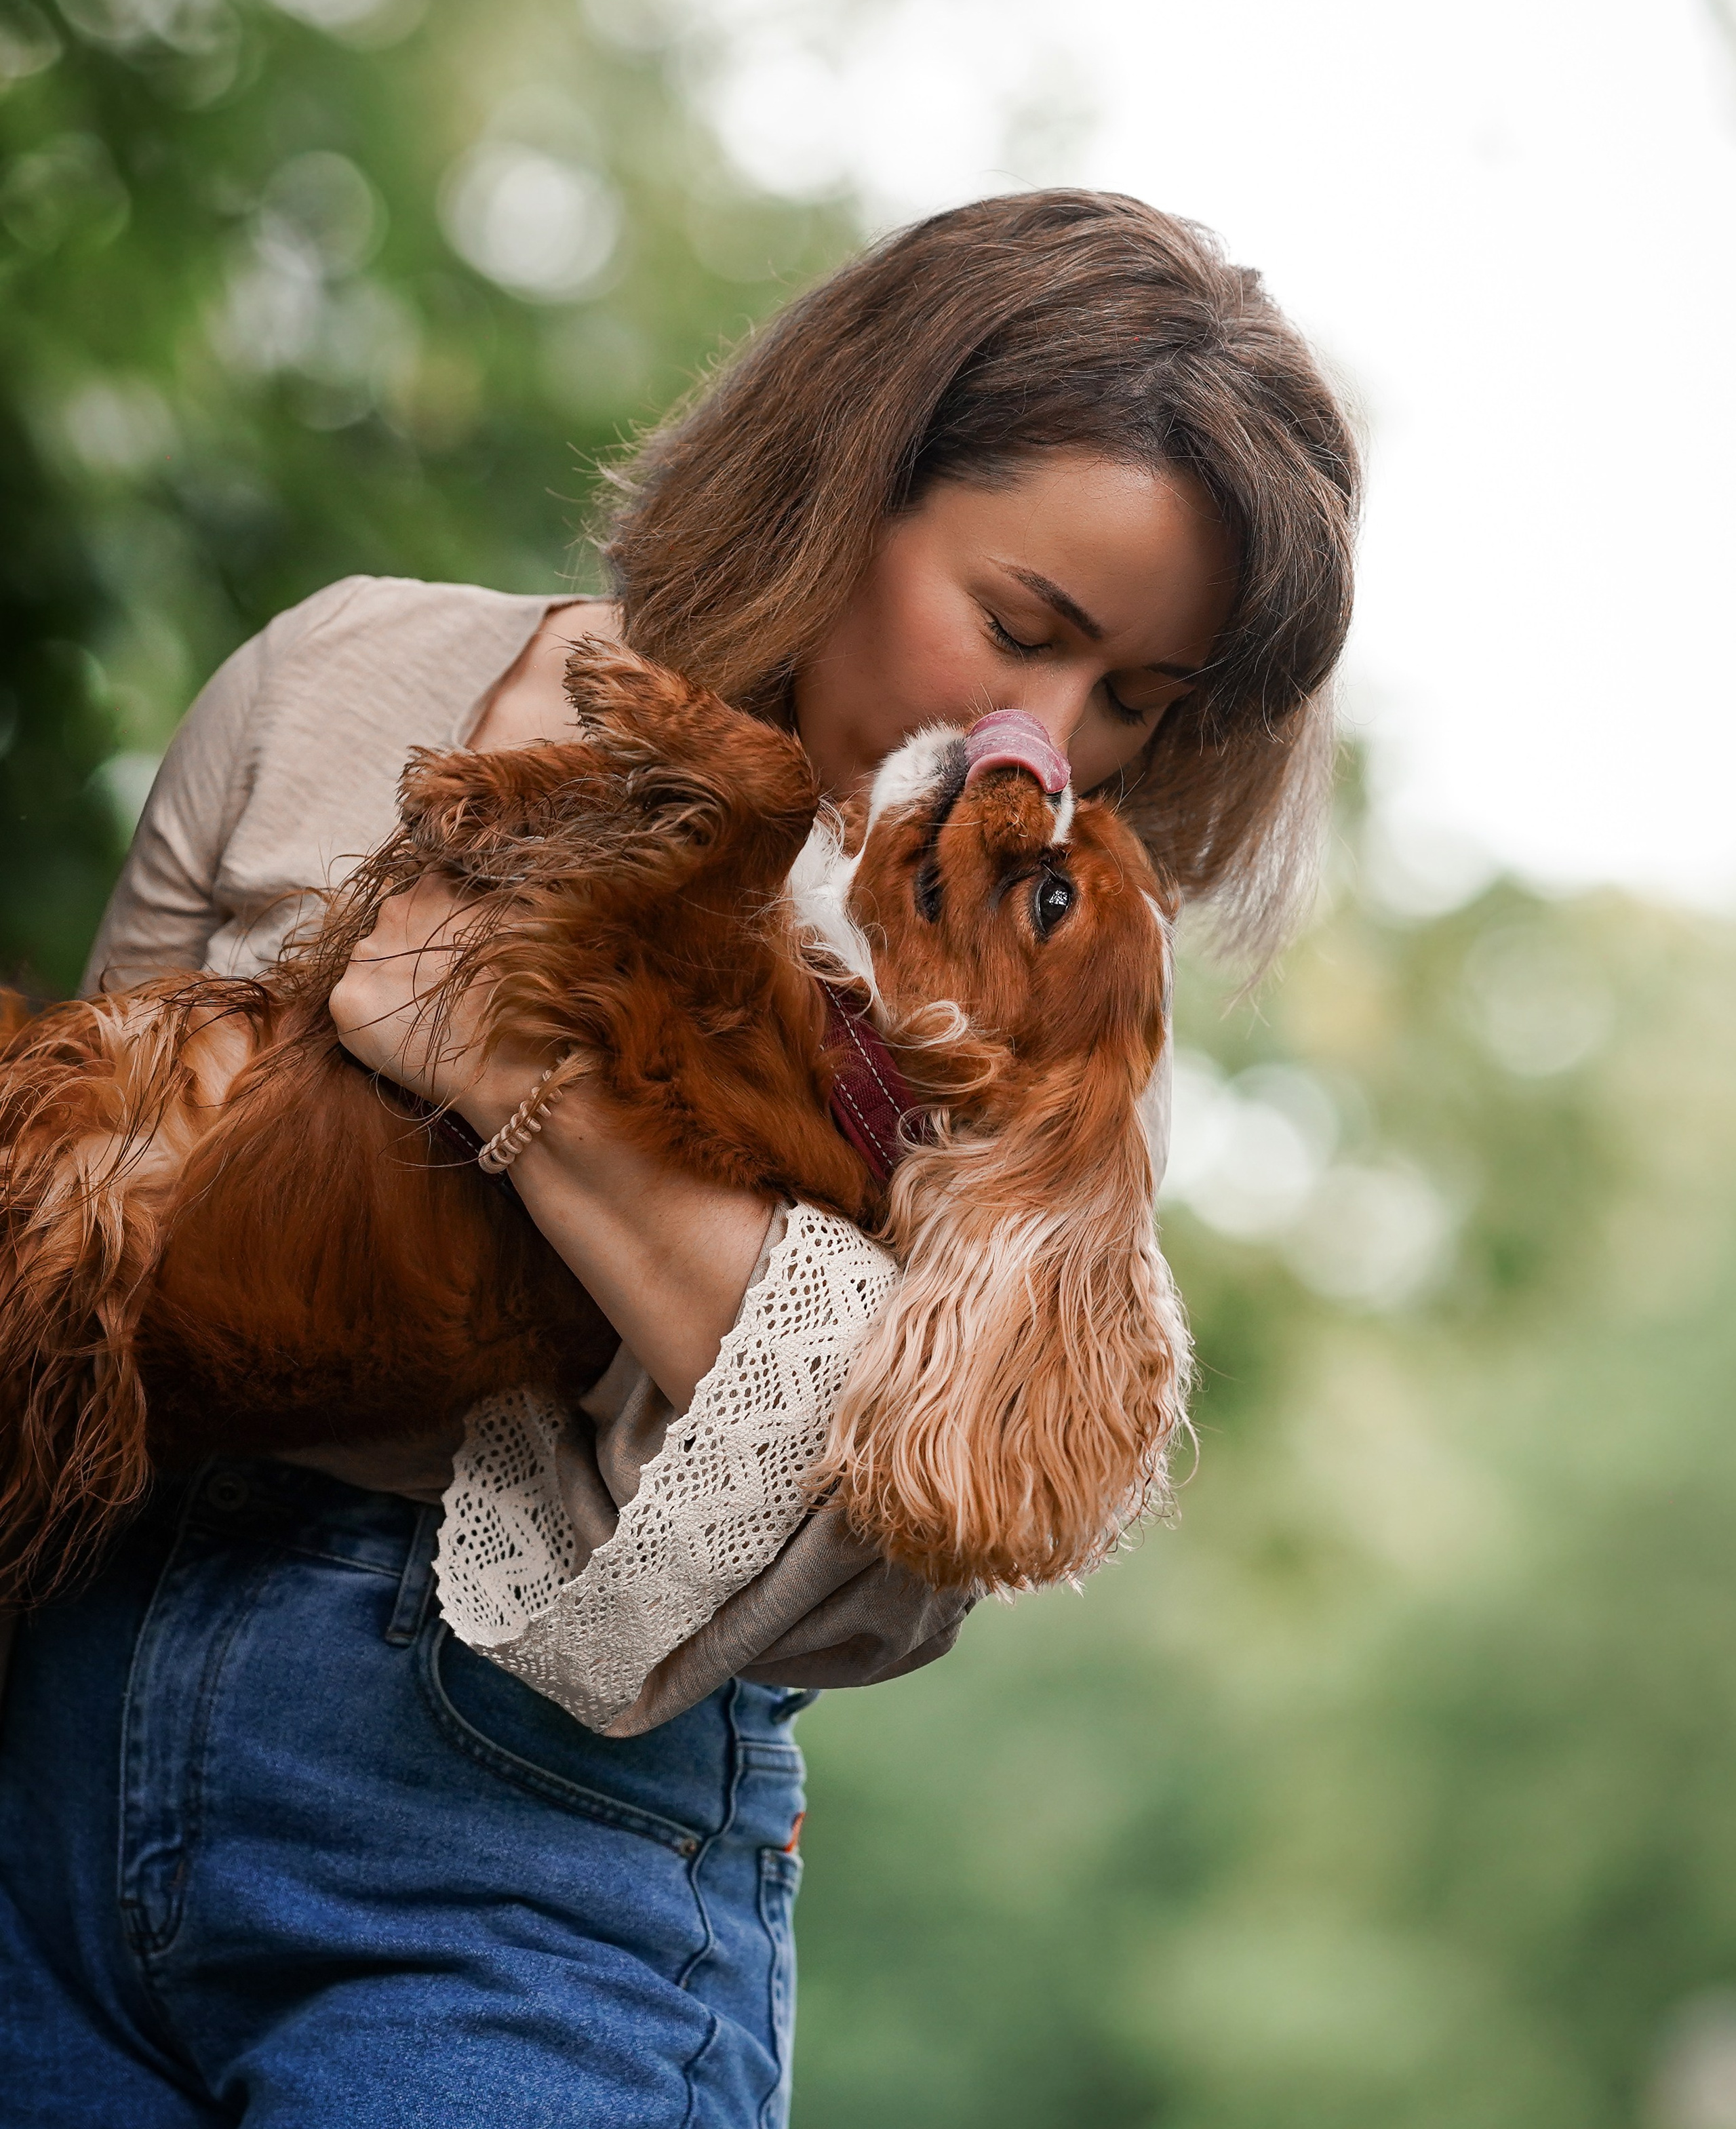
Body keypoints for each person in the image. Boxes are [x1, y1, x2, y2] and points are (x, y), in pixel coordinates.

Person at [0, 191, 1358, 2126]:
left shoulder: (1023, 982)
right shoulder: (333, 683)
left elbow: (896, 1556)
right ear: (842, 482)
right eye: (1023, 631)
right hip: (56, 1740)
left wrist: (511, 1077)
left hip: (512, 1852)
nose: (1040, 745)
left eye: (1133, 700)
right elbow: (73, 1242)